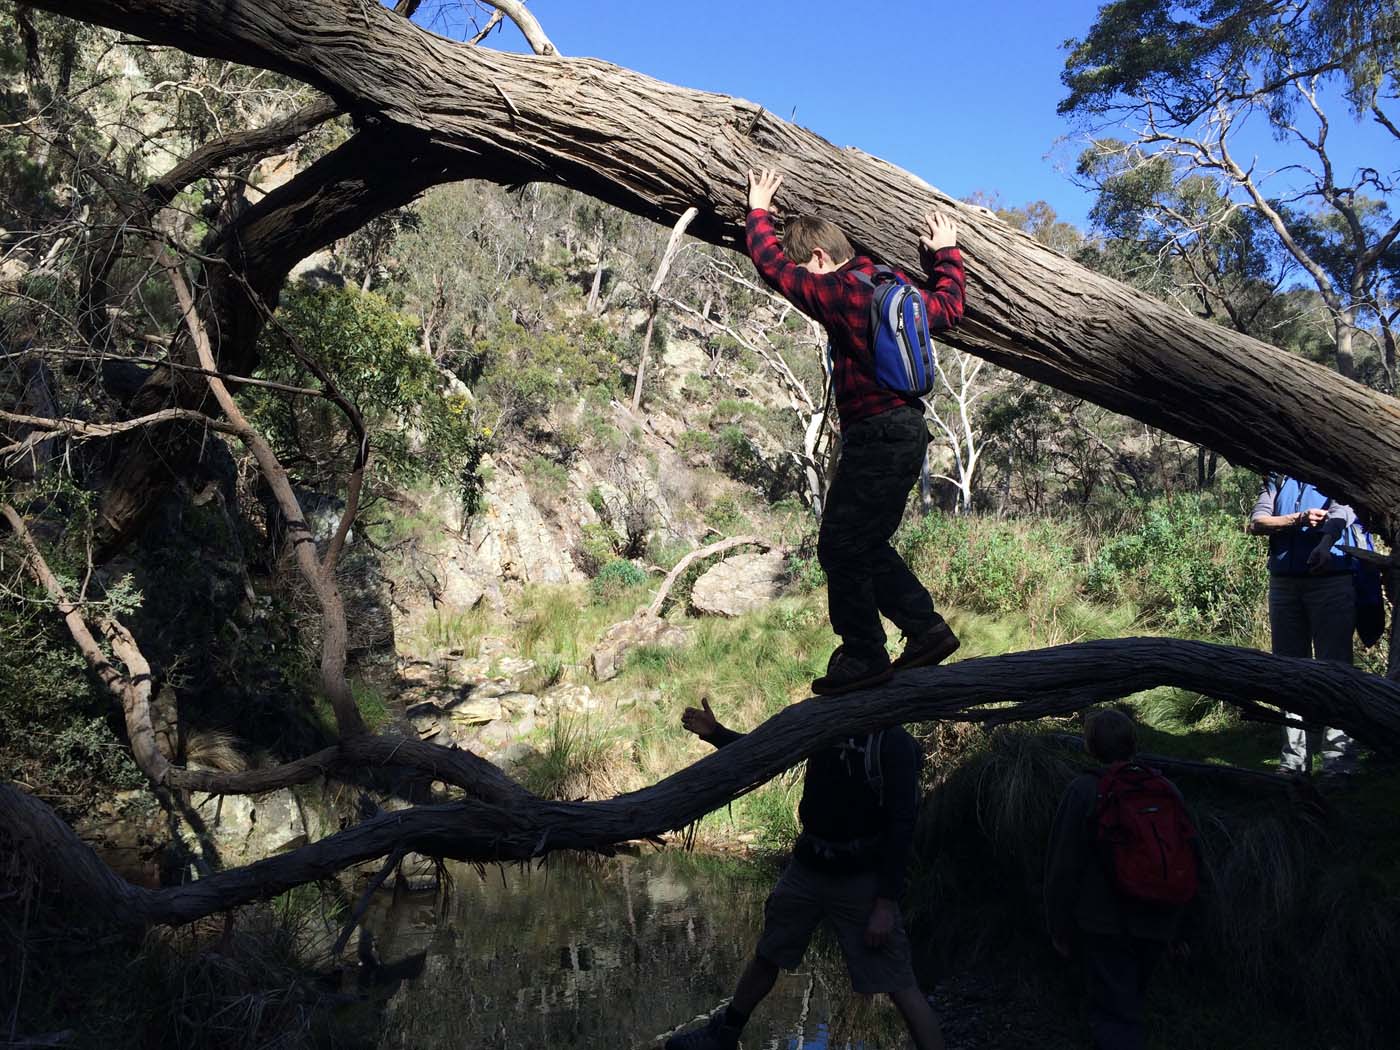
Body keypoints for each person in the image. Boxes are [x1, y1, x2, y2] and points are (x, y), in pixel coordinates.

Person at [745, 167, 965, 695]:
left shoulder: (840, 290)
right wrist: (946, 255)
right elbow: (951, 307)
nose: (806, 279)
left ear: (819, 259)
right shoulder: (891, 285)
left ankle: (866, 654)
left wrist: (758, 214)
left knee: (839, 546)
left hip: (877, 434)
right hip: (908, 433)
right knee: (863, 542)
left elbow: (774, 268)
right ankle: (926, 631)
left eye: (808, 268)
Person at [664, 696, 944, 1050]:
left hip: (861, 881)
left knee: (899, 982)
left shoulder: (893, 743)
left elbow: (903, 826)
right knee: (768, 954)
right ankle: (725, 1034)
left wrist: (886, 904)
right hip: (807, 868)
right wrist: (717, 734)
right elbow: (768, 755)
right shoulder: (823, 725)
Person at [1044, 710, 1197, 1050]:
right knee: (1131, 1003)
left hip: (1106, 925)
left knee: (1115, 1016)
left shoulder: (1084, 790)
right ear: (1134, 744)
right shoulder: (1166, 789)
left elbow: (1063, 866)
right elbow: (1192, 858)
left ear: (1090, 747)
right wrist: (1183, 928)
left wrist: (1058, 926)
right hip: (1159, 918)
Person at [1246, 475, 1360, 776]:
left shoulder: (1331, 468)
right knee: (1288, 670)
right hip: (1284, 584)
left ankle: (1339, 763)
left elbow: (1341, 513)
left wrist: (1325, 542)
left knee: (1336, 670)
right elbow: (1257, 522)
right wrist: (1298, 519)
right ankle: (1293, 763)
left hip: (1331, 582)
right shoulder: (1277, 478)